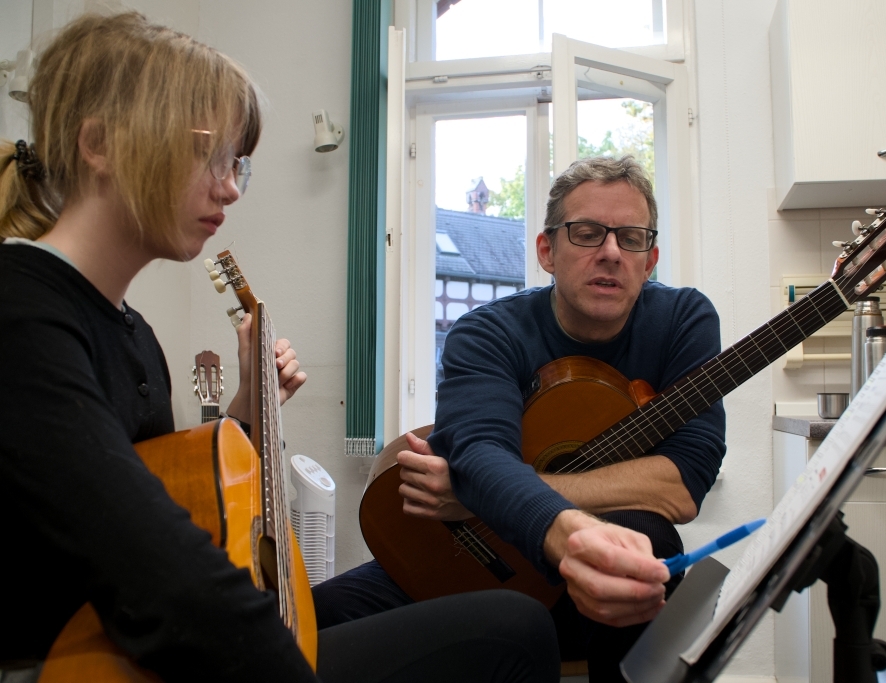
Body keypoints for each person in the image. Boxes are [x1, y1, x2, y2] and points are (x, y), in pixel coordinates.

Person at [0, 12, 560, 683]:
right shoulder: (21, 312)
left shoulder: (133, 333)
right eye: (208, 154)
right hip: (81, 666)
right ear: (99, 143)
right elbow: (154, 569)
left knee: (512, 621)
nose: (231, 186)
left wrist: (244, 407)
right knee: (510, 631)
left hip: (142, 652)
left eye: (237, 164)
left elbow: (175, 504)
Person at [314, 156, 727, 682]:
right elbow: (481, 453)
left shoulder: (683, 321)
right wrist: (487, 481)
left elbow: (681, 486)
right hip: (467, 558)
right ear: (546, 251)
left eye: (631, 238)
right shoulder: (488, 333)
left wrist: (482, 493)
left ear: (651, 260)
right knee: (303, 627)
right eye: (586, 233)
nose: (610, 252)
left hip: (584, 595)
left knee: (647, 541)